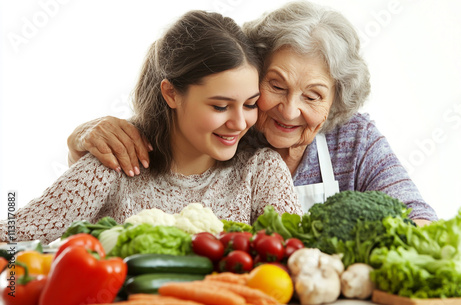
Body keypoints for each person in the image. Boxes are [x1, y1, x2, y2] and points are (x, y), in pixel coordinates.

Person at [67, 1, 438, 225]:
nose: (290, 110)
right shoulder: (224, 129)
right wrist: (82, 139)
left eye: (313, 96)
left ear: (337, 100)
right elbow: (133, 161)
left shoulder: (354, 140)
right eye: (276, 86)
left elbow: (417, 214)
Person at [0, 10, 301, 244]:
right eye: (220, 106)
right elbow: (10, 237)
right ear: (171, 93)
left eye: (250, 104)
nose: (239, 123)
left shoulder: (261, 171)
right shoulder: (116, 160)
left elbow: (297, 259)